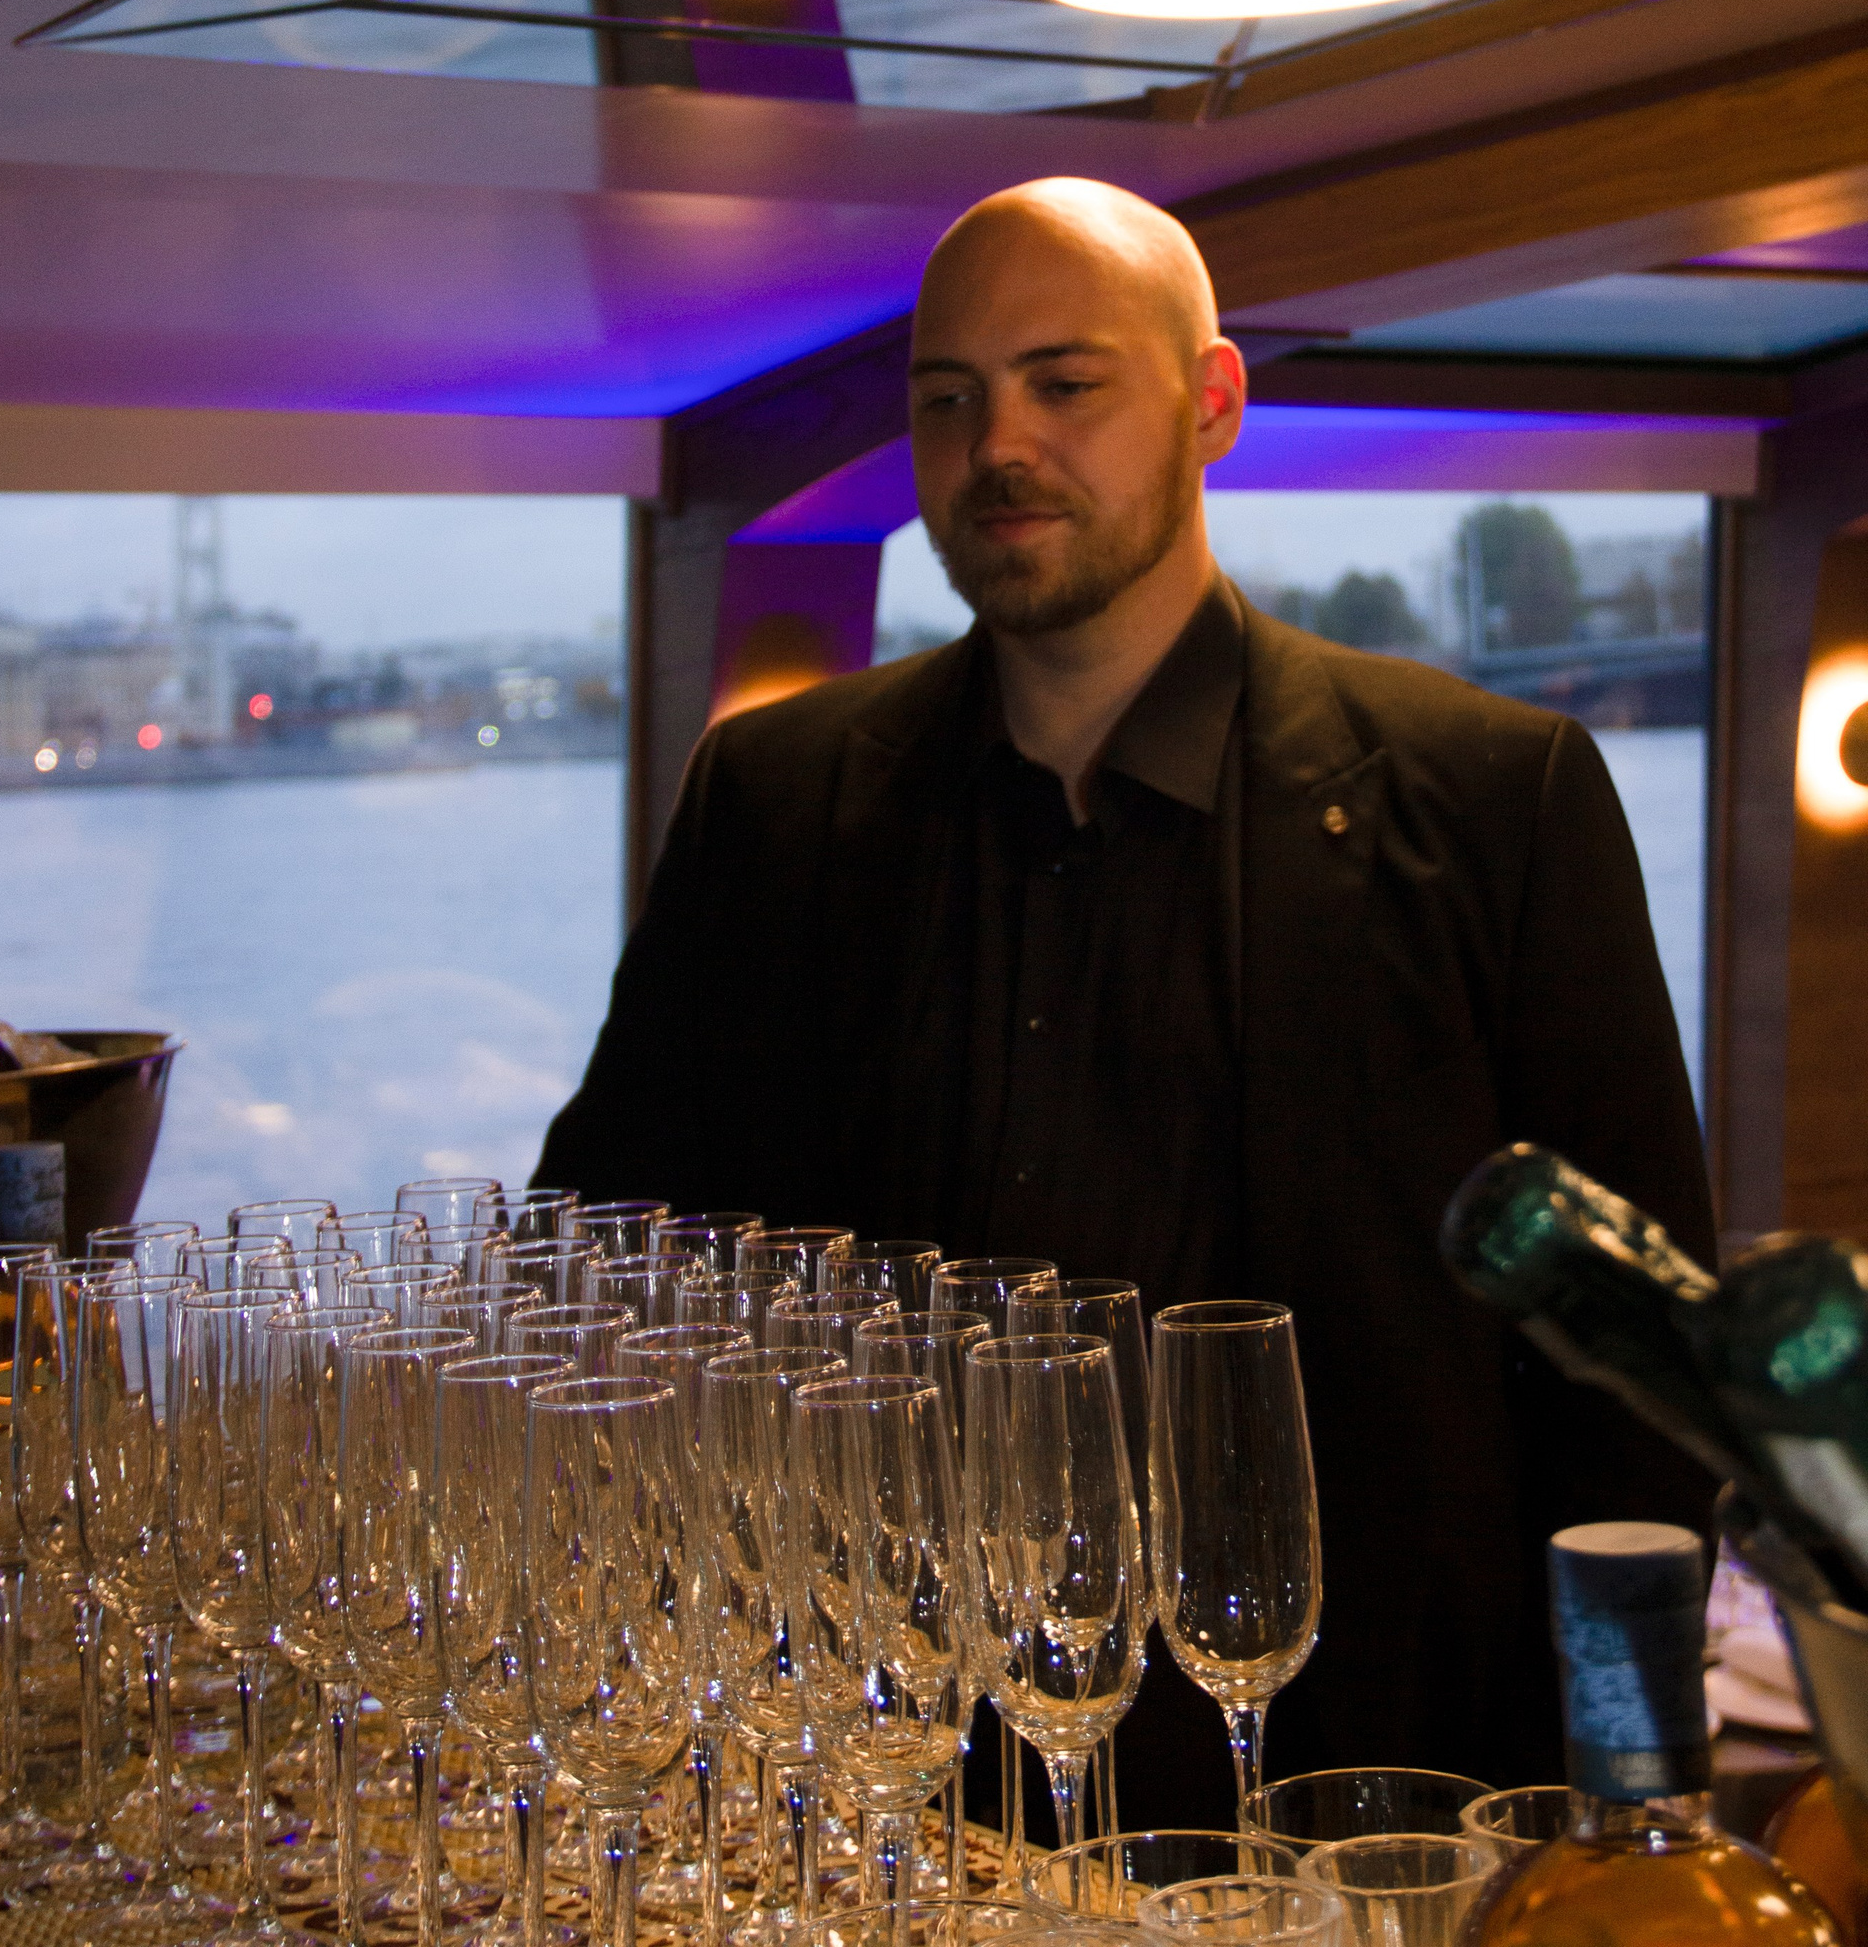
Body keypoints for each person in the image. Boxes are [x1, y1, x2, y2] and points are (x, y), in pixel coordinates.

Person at [535, 175, 1715, 1802]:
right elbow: (600, 1265)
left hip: (1351, 1793)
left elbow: (1642, 1385)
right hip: (883, 1795)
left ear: (1212, 402)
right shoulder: (773, 799)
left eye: (1065, 384)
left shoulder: (1498, 799)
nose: (998, 444)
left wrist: (1627, 1808)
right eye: (948, 398)